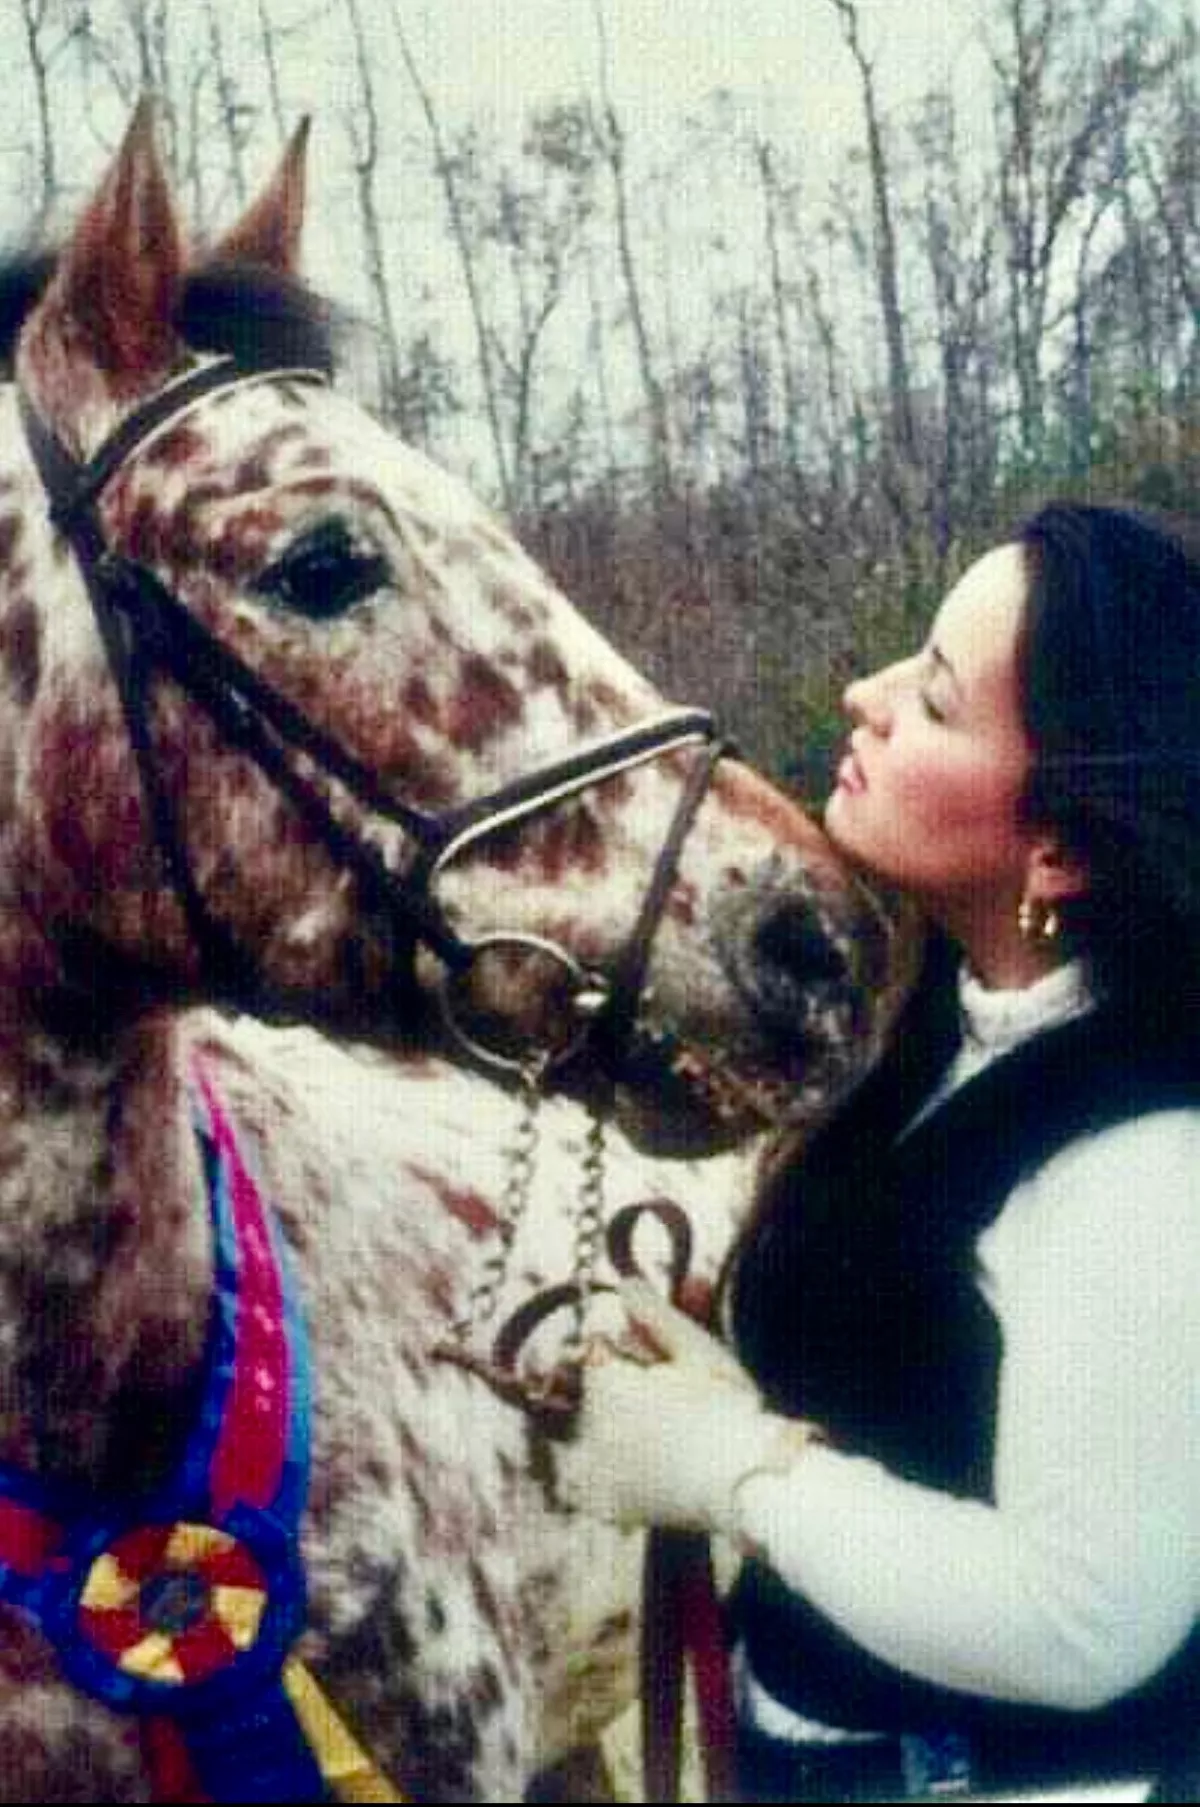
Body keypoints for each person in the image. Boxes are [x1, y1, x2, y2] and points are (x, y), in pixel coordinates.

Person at [560, 502, 1200, 1802]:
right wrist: (725, 1362)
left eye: (939, 700)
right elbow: (928, 1391)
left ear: (1062, 845)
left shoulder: (1145, 1159)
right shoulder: (947, 1027)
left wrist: (733, 1463)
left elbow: (1081, 1623)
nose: (864, 693)